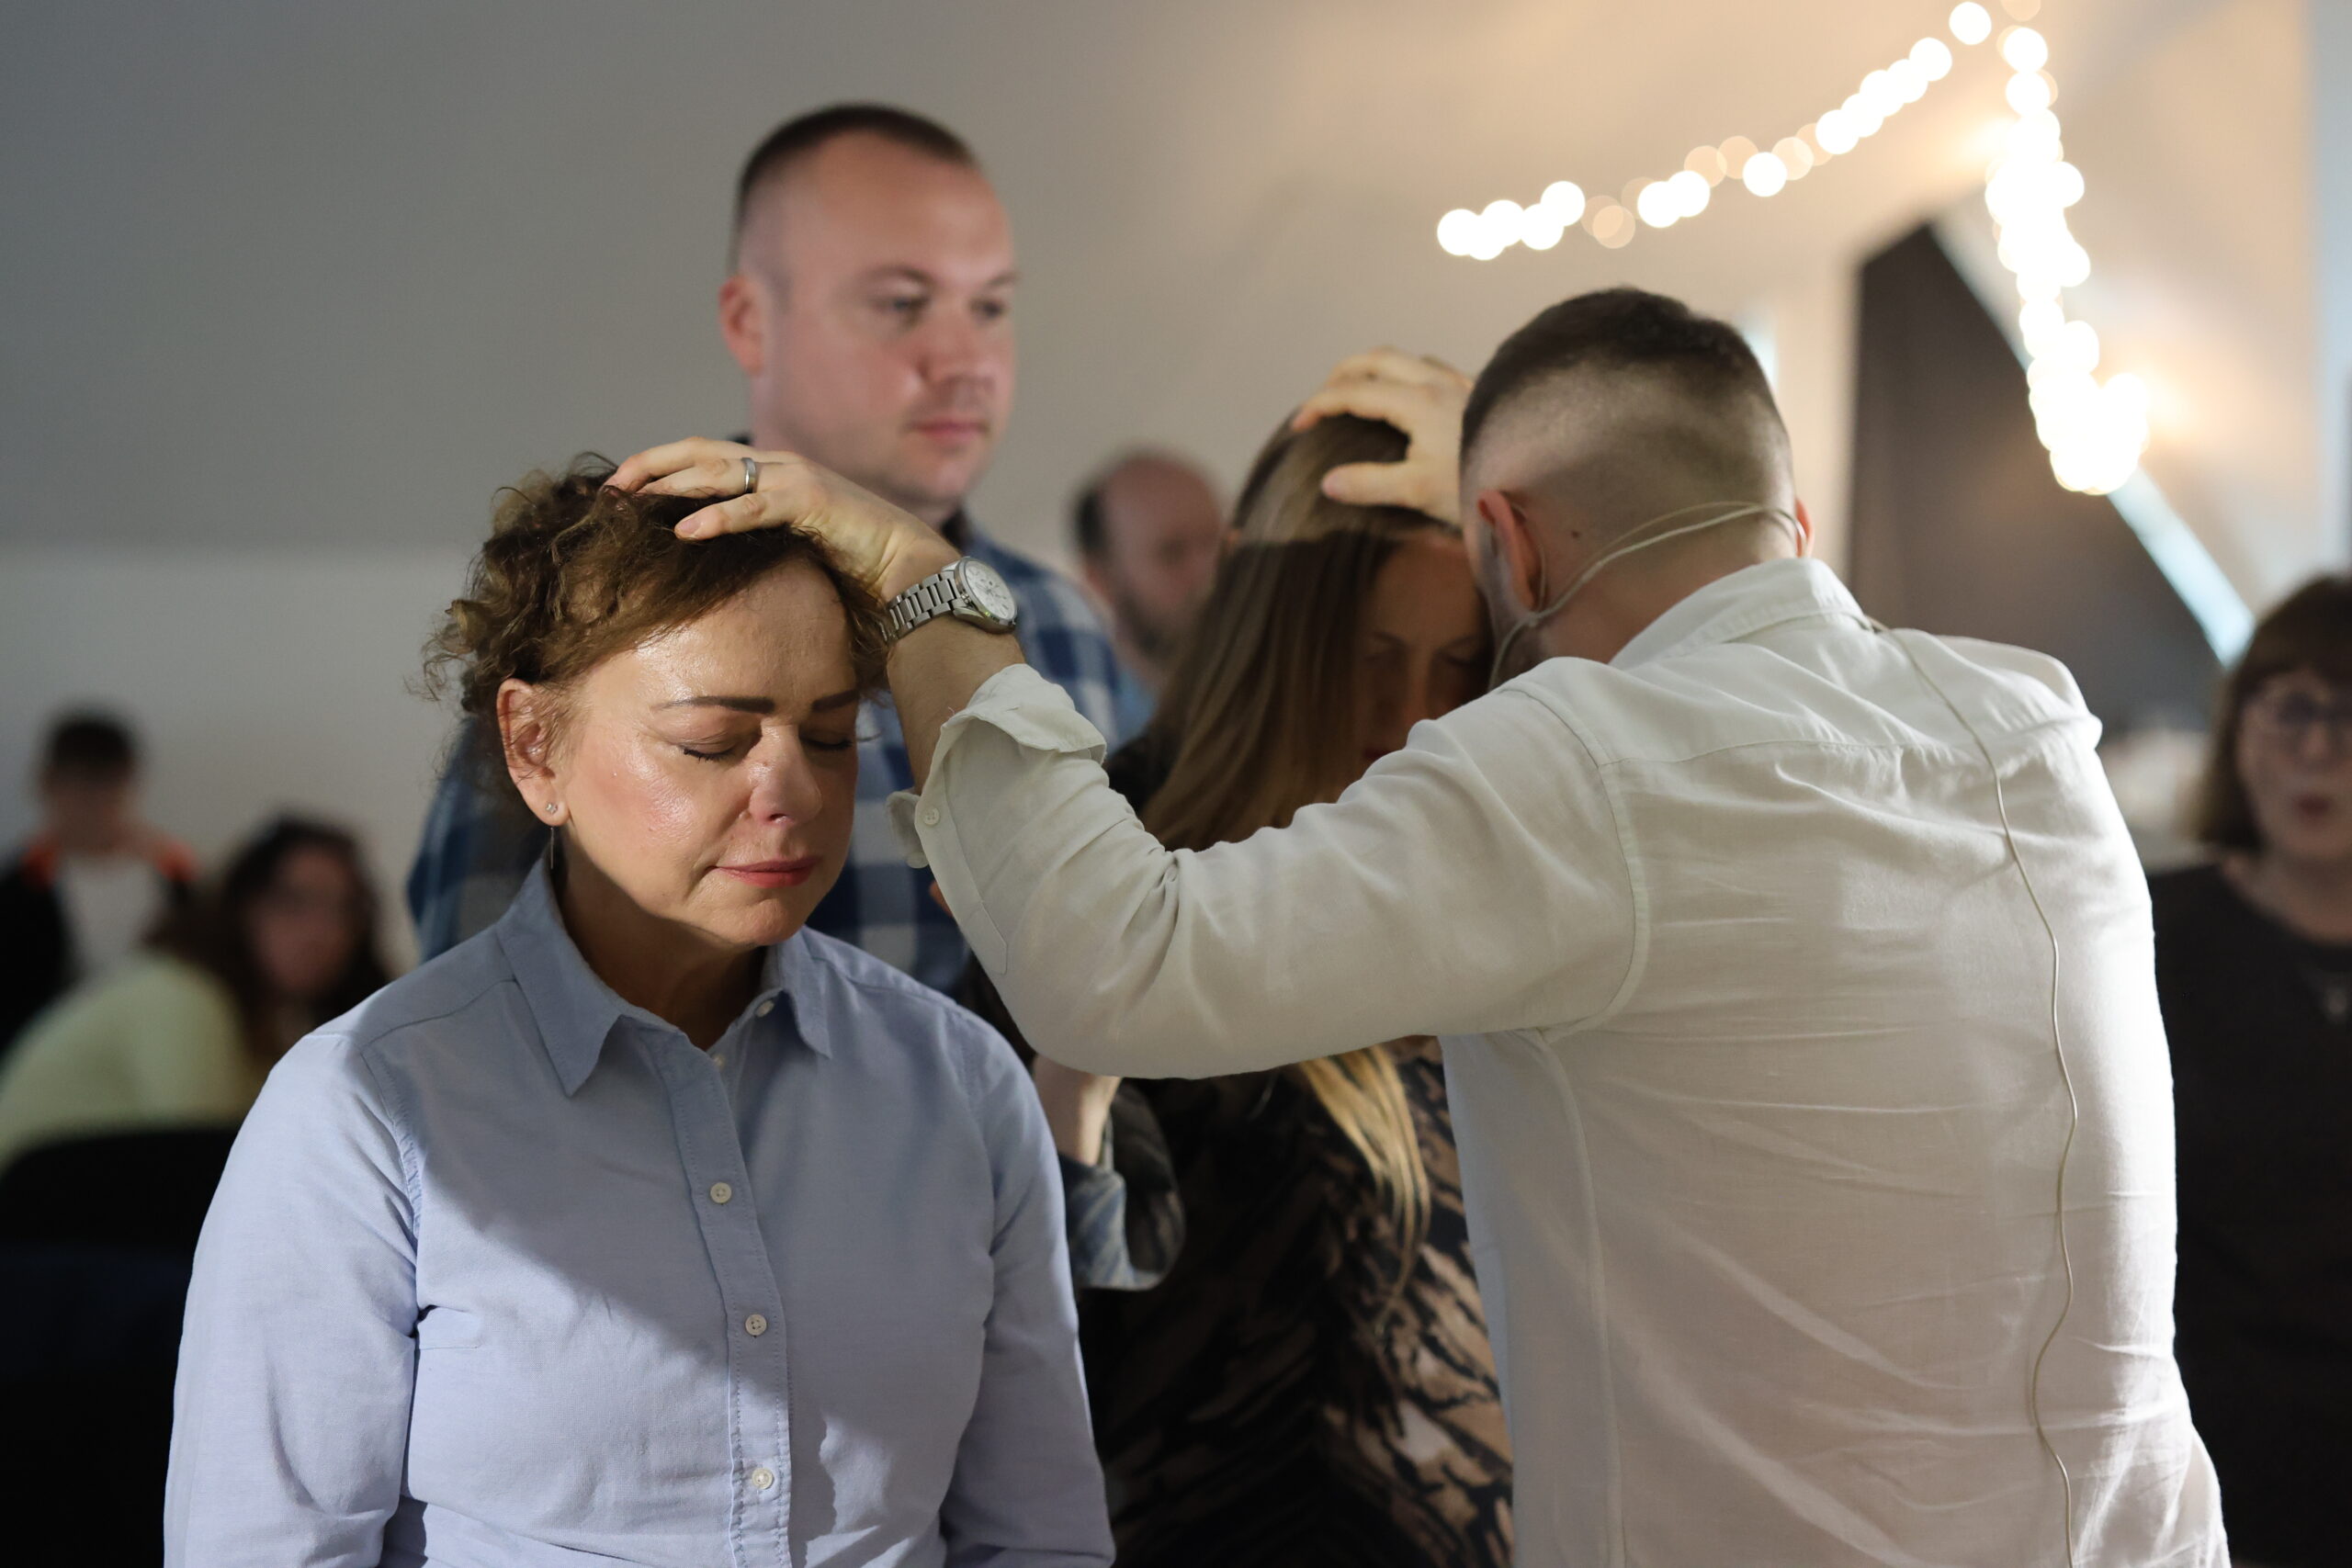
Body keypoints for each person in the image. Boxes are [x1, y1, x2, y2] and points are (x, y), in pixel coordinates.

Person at [612, 287, 2225, 1567]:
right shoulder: (2031, 723)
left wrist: (921, 578)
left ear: (1501, 544)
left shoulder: (1593, 761)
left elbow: (1113, 961)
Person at [167, 461, 1109, 1565]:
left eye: (828, 735)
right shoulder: (367, 1108)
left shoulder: (959, 1085)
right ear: (535, 746)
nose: (793, 792)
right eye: (711, 741)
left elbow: (1039, 1536)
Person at [406, 104, 1140, 991]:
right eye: (902, 303)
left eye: (990, 306)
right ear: (751, 322)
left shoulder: (1060, 627)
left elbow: (1128, 978)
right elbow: (480, 1015)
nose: (964, 359)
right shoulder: (622, 612)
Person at [1029, 411, 1509, 1564]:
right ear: (1280, 634)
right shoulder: (1121, 886)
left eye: (1458, 661)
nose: (1415, 713)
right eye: (1369, 655)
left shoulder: (1486, 873)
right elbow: (1032, 1322)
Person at [2153, 575, 2352, 1568]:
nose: (2317, 750)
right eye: (2289, 709)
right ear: (2240, 729)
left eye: (2348, 713)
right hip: (2206, 1456)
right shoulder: (2151, 932)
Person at [0, 816, 387, 1173]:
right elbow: (209, 1168)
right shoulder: (183, 997)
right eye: (294, 901)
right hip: (35, 1213)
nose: (323, 932)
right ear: (243, 906)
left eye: (344, 910)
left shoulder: (266, 1018)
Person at [0, 711, 195, 1058]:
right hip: (54, 1053)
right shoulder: (23, 886)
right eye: (80, 788)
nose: (94, 805)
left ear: (129, 784)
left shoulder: (173, 873)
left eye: (107, 787)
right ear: (48, 784)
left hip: (157, 1041)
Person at [1070, 449, 1228, 732]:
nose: (1210, 572)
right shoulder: (1085, 738)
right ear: (1101, 579)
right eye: (1172, 553)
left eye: (1216, 542)